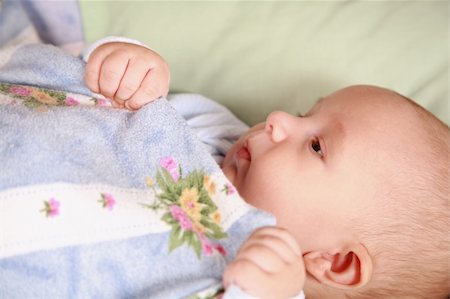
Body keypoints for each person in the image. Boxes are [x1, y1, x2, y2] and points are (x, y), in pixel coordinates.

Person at [84, 40, 449, 299]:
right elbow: (113, 99)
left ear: (335, 262)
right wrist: (132, 65)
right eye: (305, 114)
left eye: (316, 145)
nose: (278, 119)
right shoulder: (220, 136)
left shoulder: (263, 290)